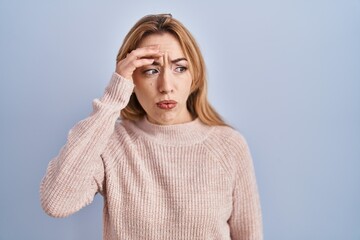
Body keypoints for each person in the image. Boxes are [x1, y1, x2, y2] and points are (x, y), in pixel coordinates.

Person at [40, 13, 263, 240]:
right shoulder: (112, 142)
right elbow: (56, 202)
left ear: (194, 77)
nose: (166, 86)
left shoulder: (229, 146)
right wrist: (113, 97)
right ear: (131, 80)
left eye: (180, 68)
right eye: (151, 71)